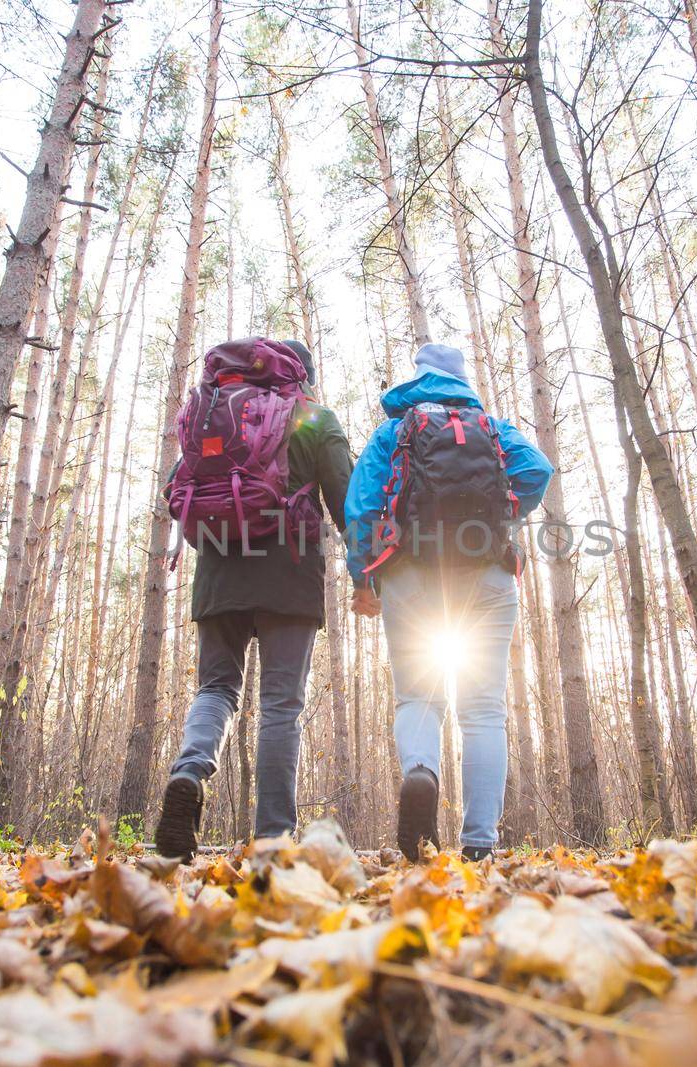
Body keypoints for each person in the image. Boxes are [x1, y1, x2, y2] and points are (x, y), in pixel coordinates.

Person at [345, 342, 552, 861]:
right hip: (488, 574)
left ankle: (421, 772)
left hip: (411, 573)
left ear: (418, 378)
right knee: (483, 711)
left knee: (419, 697)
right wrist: (500, 514)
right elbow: (538, 472)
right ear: (464, 382)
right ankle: (480, 845)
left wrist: (363, 577)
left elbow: (361, 507)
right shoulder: (493, 428)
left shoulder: (397, 430)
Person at [154, 338, 352, 860]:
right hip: (290, 576)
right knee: (280, 706)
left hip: (220, 575)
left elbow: (175, 487)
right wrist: (369, 571)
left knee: (216, 690)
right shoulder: (313, 417)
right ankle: (272, 839)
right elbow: (348, 503)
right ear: (303, 374)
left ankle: (190, 773)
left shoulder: (219, 413)